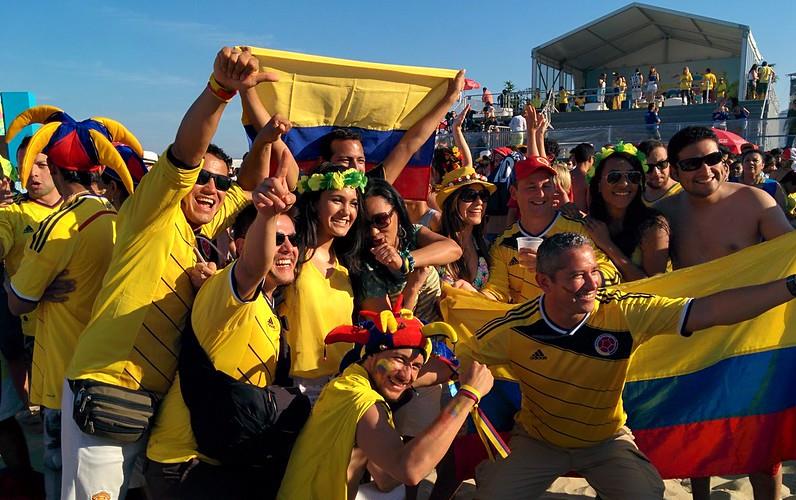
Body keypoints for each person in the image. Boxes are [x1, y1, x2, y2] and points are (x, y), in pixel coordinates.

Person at [61, 47, 279, 500]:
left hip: (156, 406)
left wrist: (263, 137)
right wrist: (219, 91)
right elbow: (186, 152)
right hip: (110, 386)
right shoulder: (152, 214)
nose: (211, 188)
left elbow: (250, 188)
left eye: (219, 181)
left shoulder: (204, 228)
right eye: (203, 177)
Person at [466, 231, 796, 499]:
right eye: (577, 276)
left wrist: (790, 287)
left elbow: (710, 311)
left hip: (606, 441)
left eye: (594, 271)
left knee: (647, 495)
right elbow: (458, 359)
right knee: (492, 495)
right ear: (544, 282)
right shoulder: (514, 328)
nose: (593, 283)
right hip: (540, 441)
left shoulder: (623, 311)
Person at [145, 145, 300, 499]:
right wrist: (265, 215)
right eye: (278, 239)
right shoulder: (229, 290)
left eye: (293, 239)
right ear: (240, 244)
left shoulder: (270, 310)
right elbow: (252, 267)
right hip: (185, 467)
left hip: (218, 464)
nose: (288, 247)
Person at [4, 107, 140, 499]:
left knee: (61, 474)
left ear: (60, 173)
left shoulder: (61, 225)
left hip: (66, 375)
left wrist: (28, 287)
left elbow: (17, 303)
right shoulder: (117, 218)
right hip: (113, 371)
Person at [658, 126, 793, 499]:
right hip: (695, 338)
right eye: (691, 164)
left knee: (762, 452)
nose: (705, 170)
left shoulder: (756, 203)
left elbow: (788, 255)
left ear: (725, 160)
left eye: (712, 158)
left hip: (750, 338)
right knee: (697, 439)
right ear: (676, 170)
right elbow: (645, 278)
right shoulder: (665, 213)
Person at [277, 305, 494, 500]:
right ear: (372, 355)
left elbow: (386, 479)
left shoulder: (347, 381)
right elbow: (409, 470)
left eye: (416, 365)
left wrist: (453, 373)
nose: (407, 375)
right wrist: (467, 397)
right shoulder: (362, 399)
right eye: (399, 359)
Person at [280, 162, 367, 404]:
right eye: (337, 200)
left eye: (353, 203)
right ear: (315, 203)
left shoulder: (350, 265)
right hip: (296, 388)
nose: (346, 211)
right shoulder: (290, 254)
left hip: (344, 383)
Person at [317, 71, 465, 184]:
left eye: (361, 160)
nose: (355, 167)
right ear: (324, 162)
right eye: (345, 160)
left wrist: (449, 99)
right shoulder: (307, 196)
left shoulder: (372, 187)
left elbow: (409, 144)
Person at [357, 178, 461, 319]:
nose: (373, 232)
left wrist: (405, 261)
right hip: (415, 339)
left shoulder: (413, 234)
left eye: (381, 220)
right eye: (364, 224)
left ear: (398, 212)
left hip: (445, 335)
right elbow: (390, 332)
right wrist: (412, 289)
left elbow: (454, 249)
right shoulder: (366, 270)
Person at [579, 143, 670, 280]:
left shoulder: (653, 226)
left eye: (633, 177)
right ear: (598, 184)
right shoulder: (592, 223)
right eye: (614, 177)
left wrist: (607, 245)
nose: (624, 184)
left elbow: (653, 286)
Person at [436, 166, 496, 292]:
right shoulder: (434, 245)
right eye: (470, 195)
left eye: (483, 195)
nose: (479, 202)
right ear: (452, 202)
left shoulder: (486, 246)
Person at [638, 139, 682, 206]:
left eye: (661, 164)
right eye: (648, 167)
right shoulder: (634, 197)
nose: (656, 172)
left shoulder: (684, 194)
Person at [569, 143, 594, 213]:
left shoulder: (566, 175)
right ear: (590, 159)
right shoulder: (589, 179)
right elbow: (590, 205)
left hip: (564, 218)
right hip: (582, 219)